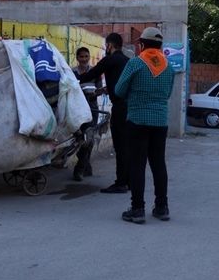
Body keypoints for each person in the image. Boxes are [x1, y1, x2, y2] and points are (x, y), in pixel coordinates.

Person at [114, 27, 175, 223]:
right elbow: (167, 94)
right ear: (161, 46)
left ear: (141, 44)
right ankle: (162, 207)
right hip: (160, 122)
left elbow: (119, 90)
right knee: (158, 164)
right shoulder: (169, 67)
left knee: (137, 164)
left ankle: (138, 209)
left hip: (137, 121)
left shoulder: (135, 63)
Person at [79, 33, 130, 193]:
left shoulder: (110, 60)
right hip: (130, 108)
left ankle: (121, 182)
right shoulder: (128, 61)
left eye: (106, 46)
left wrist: (70, 78)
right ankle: (127, 180)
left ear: (109, 45)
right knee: (127, 146)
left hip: (120, 108)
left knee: (120, 146)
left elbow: (90, 75)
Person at [72, 46, 102, 181]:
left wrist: (96, 93)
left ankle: (81, 168)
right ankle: (83, 167)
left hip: (93, 109)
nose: (84, 59)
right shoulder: (72, 72)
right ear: (77, 58)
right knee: (82, 139)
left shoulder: (95, 72)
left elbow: (100, 89)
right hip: (78, 109)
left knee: (89, 139)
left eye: (86, 56)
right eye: (81, 57)